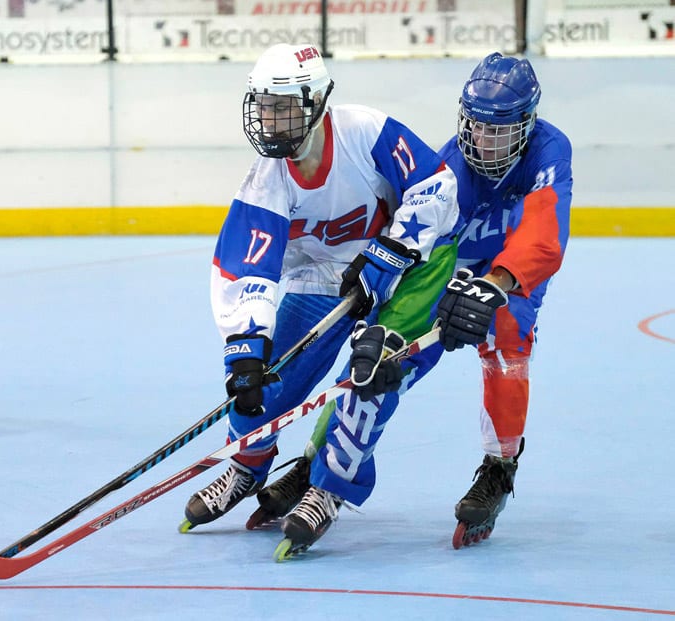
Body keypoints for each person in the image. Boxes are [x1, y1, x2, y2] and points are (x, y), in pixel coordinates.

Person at [256, 52, 573, 558]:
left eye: (499, 131)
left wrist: (494, 284)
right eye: (476, 127)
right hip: (445, 271)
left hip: (509, 274)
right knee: (383, 362)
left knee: (507, 341)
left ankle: (499, 466)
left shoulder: (549, 149)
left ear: (528, 124)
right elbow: (421, 240)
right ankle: (319, 460)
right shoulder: (449, 163)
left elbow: (544, 228)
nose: (484, 143)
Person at [178, 43, 460, 536]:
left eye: (283, 107)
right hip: (325, 276)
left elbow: (435, 185)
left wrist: (392, 250)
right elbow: (245, 269)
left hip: (410, 269)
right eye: (264, 107)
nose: (270, 120)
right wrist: (245, 347)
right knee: (267, 381)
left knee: (373, 375)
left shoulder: (365, 131)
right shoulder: (264, 181)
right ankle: (247, 465)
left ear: (316, 102)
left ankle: (329, 487)